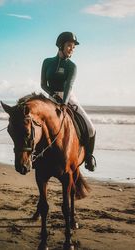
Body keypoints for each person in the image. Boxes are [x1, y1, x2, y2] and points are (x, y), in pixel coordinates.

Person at [41, 31, 96, 171]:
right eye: (70, 45)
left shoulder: (72, 66)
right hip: (51, 98)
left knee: (91, 128)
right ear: (61, 45)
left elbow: (68, 85)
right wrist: (53, 95)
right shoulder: (47, 62)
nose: (72, 49)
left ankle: (89, 157)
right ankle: (36, 155)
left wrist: (64, 103)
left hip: (69, 98)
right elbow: (43, 84)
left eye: (74, 47)